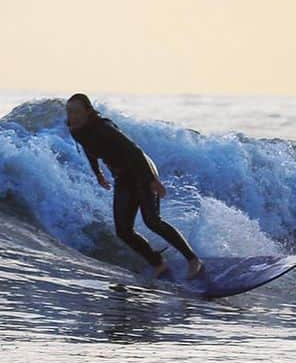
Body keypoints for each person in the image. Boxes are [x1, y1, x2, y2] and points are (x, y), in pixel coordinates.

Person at [66, 93, 203, 280]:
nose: (71, 115)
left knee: (152, 221)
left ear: (88, 112)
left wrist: (152, 180)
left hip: (141, 170)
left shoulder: (104, 128)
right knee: (123, 231)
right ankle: (158, 263)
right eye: (69, 111)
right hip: (123, 177)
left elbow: (135, 152)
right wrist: (98, 173)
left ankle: (193, 260)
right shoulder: (76, 130)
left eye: (76, 111)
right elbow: (89, 150)